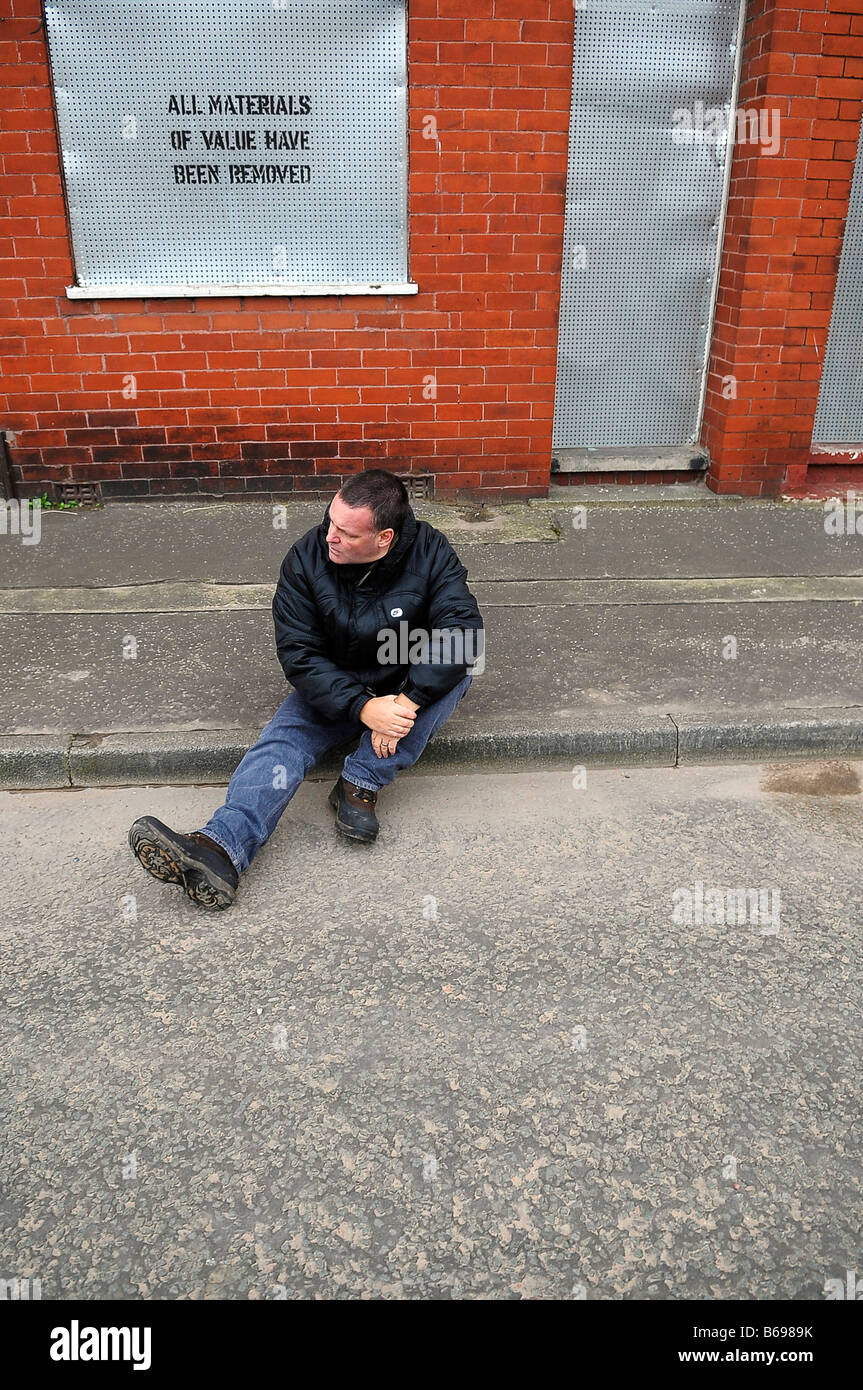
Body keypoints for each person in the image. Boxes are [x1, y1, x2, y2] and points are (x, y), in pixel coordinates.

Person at [128, 468, 484, 910]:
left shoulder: (431, 551)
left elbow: (462, 631)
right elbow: (298, 653)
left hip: (404, 679)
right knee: (282, 745)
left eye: (346, 532)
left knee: (455, 672)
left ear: (385, 538)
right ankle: (221, 848)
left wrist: (406, 701)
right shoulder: (306, 556)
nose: (329, 536)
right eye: (330, 521)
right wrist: (363, 707)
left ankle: (360, 781)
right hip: (336, 683)